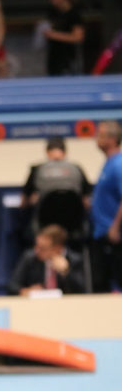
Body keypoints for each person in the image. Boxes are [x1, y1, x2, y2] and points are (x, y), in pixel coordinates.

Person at [90, 120, 122, 292]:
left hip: (113, 234)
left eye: (100, 135)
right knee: (100, 284)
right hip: (102, 231)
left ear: (112, 138)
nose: (96, 139)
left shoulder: (119, 164)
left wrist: (115, 227)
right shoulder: (109, 162)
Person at [8, 225, 85, 296]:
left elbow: (83, 290)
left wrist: (66, 272)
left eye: (42, 248)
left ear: (57, 248)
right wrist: (27, 291)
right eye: (36, 246)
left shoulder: (74, 260)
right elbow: (12, 286)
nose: (37, 251)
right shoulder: (30, 258)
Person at [22, 136, 92, 209]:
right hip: (70, 217)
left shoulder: (37, 170)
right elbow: (86, 202)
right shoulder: (77, 169)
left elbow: (24, 202)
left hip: (47, 217)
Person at [44, 0, 85, 76]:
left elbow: (78, 37)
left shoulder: (74, 14)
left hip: (69, 58)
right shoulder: (53, 13)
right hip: (54, 57)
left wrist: (54, 35)